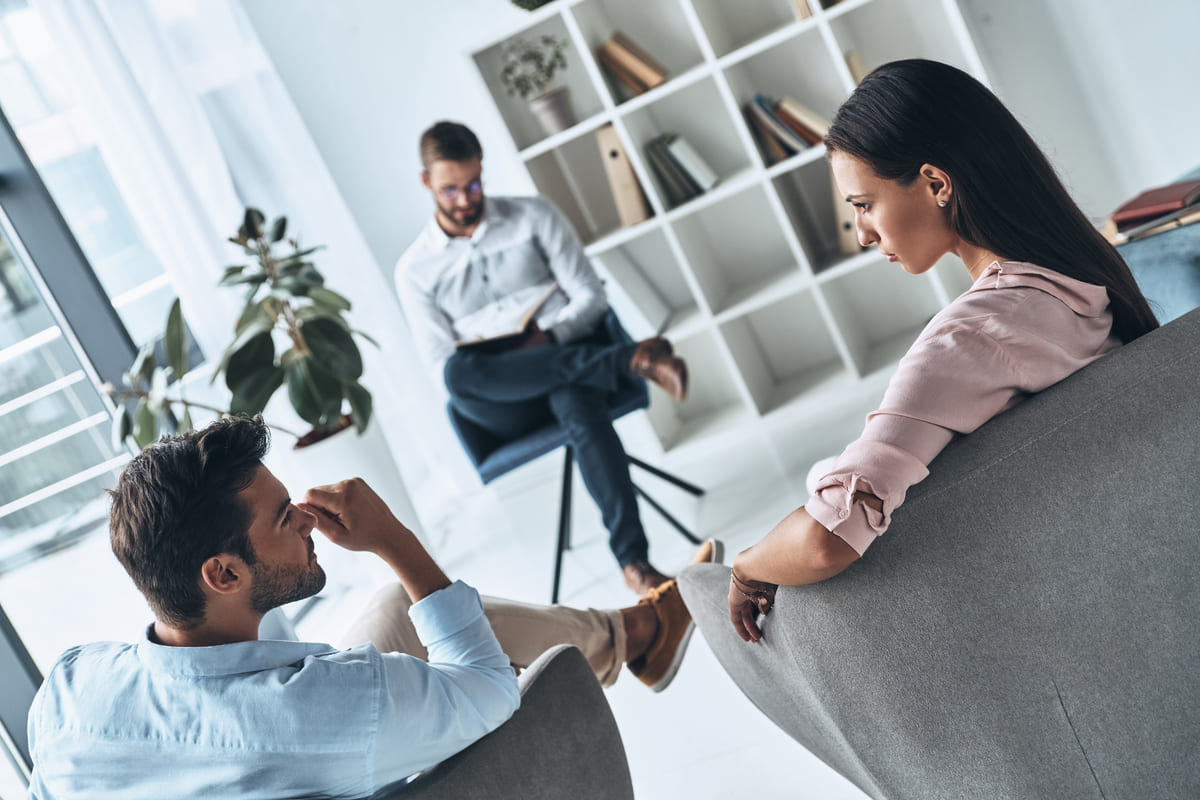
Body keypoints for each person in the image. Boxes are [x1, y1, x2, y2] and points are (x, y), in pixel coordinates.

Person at [25, 416, 717, 799]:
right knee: (416, 597)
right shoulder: (322, 706)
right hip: (322, 740)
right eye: (279, 518)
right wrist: (393, 538)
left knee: (392, 606)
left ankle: (634, 633)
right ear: (224, 573)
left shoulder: (71, 688)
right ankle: (637, 633)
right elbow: (487, 690)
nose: (302, 516)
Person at [728, 59, 1159, 641]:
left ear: (936, 183)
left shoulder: (969, 337)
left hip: (1015, 620)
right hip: (1117, 570)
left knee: (725, 583)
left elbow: (827, 539)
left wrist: (747, 563)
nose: (861, 233)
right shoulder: (1081, 278)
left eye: (863, 204)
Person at [396, 120, 690, 595]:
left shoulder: (533, 216)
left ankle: (635, 565)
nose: (464, 199)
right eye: (450, 190)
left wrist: (547, 339)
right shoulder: (414, 270)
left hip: (564, 362)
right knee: (458, 374)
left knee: (574, 395)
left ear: (483, 171)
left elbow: (590, 297)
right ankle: (628, 358)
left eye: (473, 185)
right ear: (426, 182)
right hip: (500, 403)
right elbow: (439, 365)